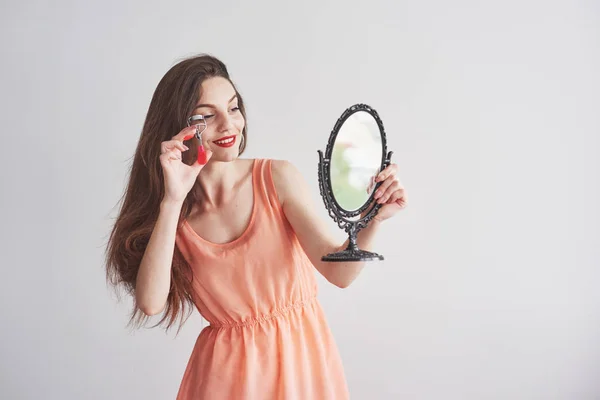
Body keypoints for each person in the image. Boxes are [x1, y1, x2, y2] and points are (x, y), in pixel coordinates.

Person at [105, 54, 407, 399]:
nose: (228, 124)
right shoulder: (176, 216)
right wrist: (172, 200)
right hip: (224, 379)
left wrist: (374, 219)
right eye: (207, 115)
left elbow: (340, 274)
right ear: (180, 127)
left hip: (302, 365)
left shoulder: (276, 178)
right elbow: (150, 302)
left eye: (233, 109)